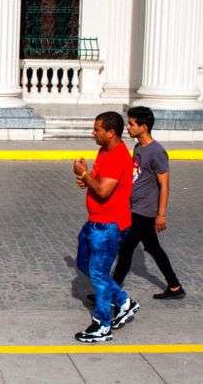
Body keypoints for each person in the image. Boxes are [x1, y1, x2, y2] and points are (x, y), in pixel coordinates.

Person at [72, 111, 139, 343]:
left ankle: (102, 325)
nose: (93, 133)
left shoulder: (119, 157)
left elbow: (102, 191)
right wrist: (85, 176)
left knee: (99, 273)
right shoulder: (104, 151)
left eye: (97, 129)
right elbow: (96, 182)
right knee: (84, 262)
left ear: (111, 133)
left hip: (109, 226)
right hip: (95, 221)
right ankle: (123, 301)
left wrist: (85, 176)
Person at [113, 106, 184, 299]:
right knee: (153, 248)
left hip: (144, 211)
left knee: (125, 250)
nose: (128, 127)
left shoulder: (157, 152)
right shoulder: (138, 147)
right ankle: (175, 286)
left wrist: (161, 214)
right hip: (134, 207)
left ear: (143, 127)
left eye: (132, 123)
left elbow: (165, 184)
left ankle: (109, 293)